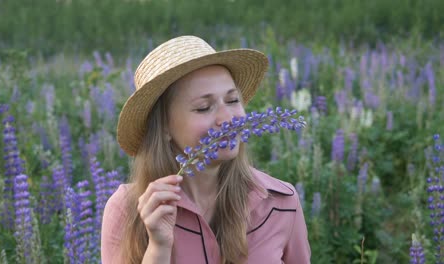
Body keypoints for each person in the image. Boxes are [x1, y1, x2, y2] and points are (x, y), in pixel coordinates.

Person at [101, 35, 311, 264]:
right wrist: (158, 248)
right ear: (164, 127)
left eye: (232, 101)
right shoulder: (127, 211)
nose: (228, 119)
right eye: (203, 108)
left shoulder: (281, 203)